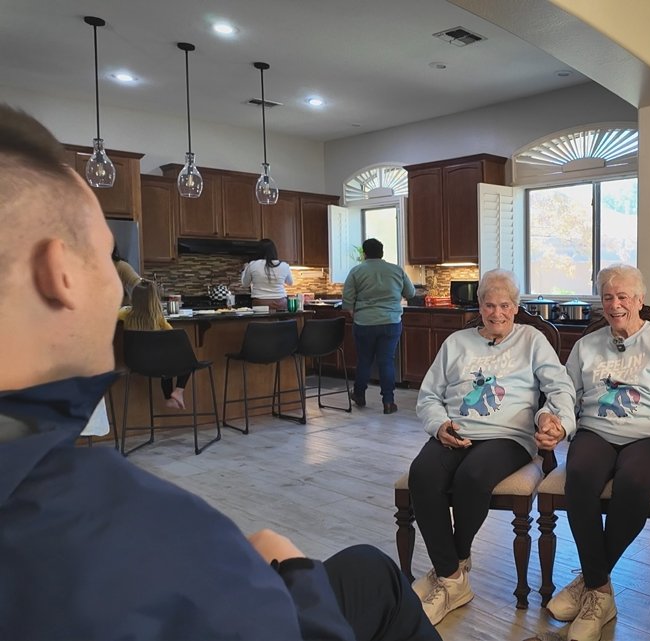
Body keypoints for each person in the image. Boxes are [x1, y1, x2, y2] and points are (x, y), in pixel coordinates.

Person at [0, 103, 439, 641]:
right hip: (372, 323)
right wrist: (294, 571)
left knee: (367, 381)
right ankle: (386, 397)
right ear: (59, 273)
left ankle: (370, 392)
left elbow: (346, 296)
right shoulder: (120, 518)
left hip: (356, 324)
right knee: (375, 572)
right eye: (106, 256)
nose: (118, 284)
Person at [410, 269, 575, 626]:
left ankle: (450, 566)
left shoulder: (531, 340)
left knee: (473, 476)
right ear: (479, 307)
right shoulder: (456, 343)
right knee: (422, 474)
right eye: (489, 305)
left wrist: (555, 421)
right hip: (455, 431)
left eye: (504, 305)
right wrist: (439, 425)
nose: (496, 313)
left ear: (515, 307)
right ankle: (453, 577)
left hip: (508, 436)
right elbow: (428, 397)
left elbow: (560, 389)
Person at [546, 264, 650, 641]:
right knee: (579, 475)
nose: (615, 305)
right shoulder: (587, 345)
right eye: (608, 297)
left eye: (623, 297)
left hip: (648, 435)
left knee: (634, 482)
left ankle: (589, 583)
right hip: (597, 430)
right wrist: (558, 421)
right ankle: (600, 592)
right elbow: (567, 393)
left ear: (640, 300)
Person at [341, 238, 415, 412]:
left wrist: (355, 313)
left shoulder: (356, 271)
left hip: (364, 323)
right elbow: (410, 292)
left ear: (364, 253)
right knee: (386, 361)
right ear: (382, 252)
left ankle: (359, 394)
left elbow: (347, 301)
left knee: (364, 360)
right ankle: (388, 402)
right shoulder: (396, 270)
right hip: (390, 322)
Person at [120, 279, 190, 409]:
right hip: (157, 364)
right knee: (184, 357)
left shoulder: (125, 314)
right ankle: (177, 392)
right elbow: (173, 334)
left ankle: (170, 397)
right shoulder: (158, 318)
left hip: (134, 363)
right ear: (154, 298)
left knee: (167, 358)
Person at [241, 238, 293, 310]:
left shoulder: (253, 265)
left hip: (261, 303)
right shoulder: (284, 265)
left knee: (262, 321)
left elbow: (245, 284)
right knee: (282, 321)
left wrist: (245, 269)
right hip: (281, 303)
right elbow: (290, 283)